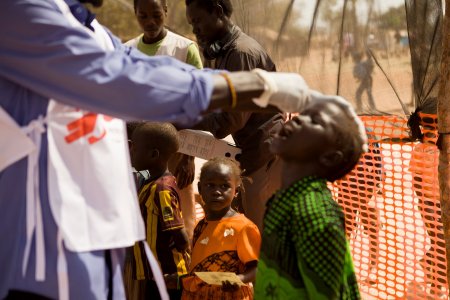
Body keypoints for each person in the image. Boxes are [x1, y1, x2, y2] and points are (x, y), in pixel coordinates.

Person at [0, 0, 343, 298]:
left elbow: (135, 66)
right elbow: (118, 78)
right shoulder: (19, 13)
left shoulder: (83, 23)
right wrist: (250, 86)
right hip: (42, 253)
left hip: (95, 243)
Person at [254, 96, 367, 299]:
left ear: (330, 157)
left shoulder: (313, 214)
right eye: (304, 114)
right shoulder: (284, 199)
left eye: (314, 121)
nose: (298, 119)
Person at [185, 0, 284, 231]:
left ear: (218, 12)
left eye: (198, 21)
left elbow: (229, 121)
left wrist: (184, 119)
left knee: (258, 234)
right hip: (250, 152)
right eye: (191, 23)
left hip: (263, 152)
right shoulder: (220, 51)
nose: (194, 29)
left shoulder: (241, 54)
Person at [126, 0, 204, 242]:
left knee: (180, 204)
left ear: (166, 12)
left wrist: (189, 155)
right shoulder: (126, 51)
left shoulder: (184, 48)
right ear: (136, 15)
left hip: (176, 146)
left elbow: (197, 104)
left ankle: (185, 269)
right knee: (143, 203)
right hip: (139, 147)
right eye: (143, 16)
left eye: (156, 14)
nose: (150, 22)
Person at [181, 157, 260, 300]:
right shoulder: (200, 225)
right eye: (210, 185)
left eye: (224, 186)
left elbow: (256, 268)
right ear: (200, 188)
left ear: (236, 191)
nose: (217, 191)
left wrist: (240, 279)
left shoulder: (243, 227)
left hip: (229, 295)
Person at [128, 122, 190, 300]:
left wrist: (179, 269)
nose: (130, 152)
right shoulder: (150, 183)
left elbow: (180, 236)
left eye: (135, 148)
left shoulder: (162, 189)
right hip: (154, 274)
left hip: (167, 275)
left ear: (153, 154)